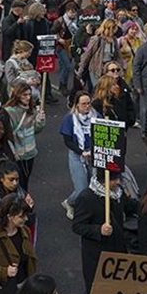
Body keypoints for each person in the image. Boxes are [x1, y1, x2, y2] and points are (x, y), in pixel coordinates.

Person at [72, 167, 137, 292]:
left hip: (117, 248)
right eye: (113, 179)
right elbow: (78, 226)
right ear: (103, 180)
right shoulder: (86, 198)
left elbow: (129, 207)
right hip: (97, 254)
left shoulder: (118, 192)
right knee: (98, 290)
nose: (118, 182)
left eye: (118, 178)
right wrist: (98, 230)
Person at [59, 90, 100, 220]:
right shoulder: (69, 119)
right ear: (76, 105)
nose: (87, 106)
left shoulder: (96, 116)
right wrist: (82, 152)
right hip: (77, 155)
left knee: (93, 185)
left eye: (88, 103)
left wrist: (92, 151)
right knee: (81, 188)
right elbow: (68, 141)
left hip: (93, 153)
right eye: (83, 104)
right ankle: (69, 202)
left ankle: (87, 209)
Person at [5, 80, 46, 188]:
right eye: (24, 95)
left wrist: (40, 122)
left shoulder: (31, 110)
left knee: (25, 182)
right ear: (17, 95)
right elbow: (8, 135)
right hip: (17, 155)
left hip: (30, 153)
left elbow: (35, 130)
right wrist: (13, 154)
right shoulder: (9, 112)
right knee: (16, 184)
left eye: (29, 94)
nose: (28, 97)